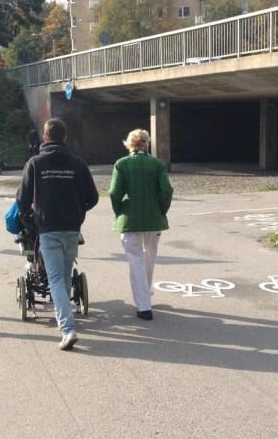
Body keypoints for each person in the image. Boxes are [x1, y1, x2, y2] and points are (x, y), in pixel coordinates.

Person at [17, 118, 98, 350]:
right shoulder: (78, 164)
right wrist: (78, 209)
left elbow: (22, 199)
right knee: (62, 277)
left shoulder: (35, 163)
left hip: (48, 228)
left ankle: (67, 329)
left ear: (44, 137)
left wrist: (29, 216)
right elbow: (92, 198)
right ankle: (67, 321)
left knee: (54, 279)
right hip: (72, 228)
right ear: (64, 138)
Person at [108, 129, 173, 320]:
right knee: (149, 257)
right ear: (147, 143)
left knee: (135, 260)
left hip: (130, 219)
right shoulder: (157, 164)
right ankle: (146, 291)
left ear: (128, 144)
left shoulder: (121, 164)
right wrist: (161, 210)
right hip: (153, 218)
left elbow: (114, 193)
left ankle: (144, 306)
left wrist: (119, 211)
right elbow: (166, 191)